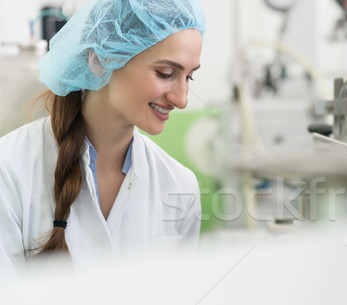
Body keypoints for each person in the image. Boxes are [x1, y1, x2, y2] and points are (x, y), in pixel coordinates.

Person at [0, 0, 206, 268]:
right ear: (101, 60)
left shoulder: (180, 186)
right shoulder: (9, 169)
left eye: (189, 77)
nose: (181, 100)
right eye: (165, 73)